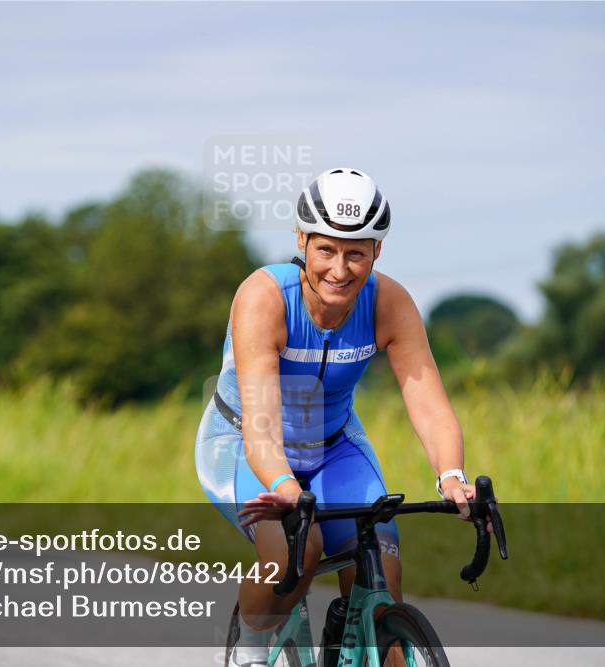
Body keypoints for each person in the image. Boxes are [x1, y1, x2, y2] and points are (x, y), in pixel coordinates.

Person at [195, 168, 481, 666]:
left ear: (376, 251)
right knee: (295, 555)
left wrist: (452, 477)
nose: (340, 269)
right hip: (245, 442)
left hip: (334, 445)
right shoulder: (265, 298)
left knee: (381, 583)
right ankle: (252, 645)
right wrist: (285, 488)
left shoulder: (389, 302)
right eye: (326, 249)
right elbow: (261, 425)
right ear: (302, 240)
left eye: (356, 252)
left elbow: (429, 402)